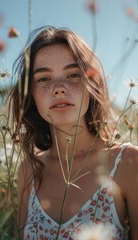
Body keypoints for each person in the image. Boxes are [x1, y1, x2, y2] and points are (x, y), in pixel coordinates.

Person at [9, 26, 138, 240]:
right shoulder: (29, 171)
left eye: (73, 74)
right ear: (30, 92)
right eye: (44, 79)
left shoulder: (128, 163)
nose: (59, 88)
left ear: (92, 84)